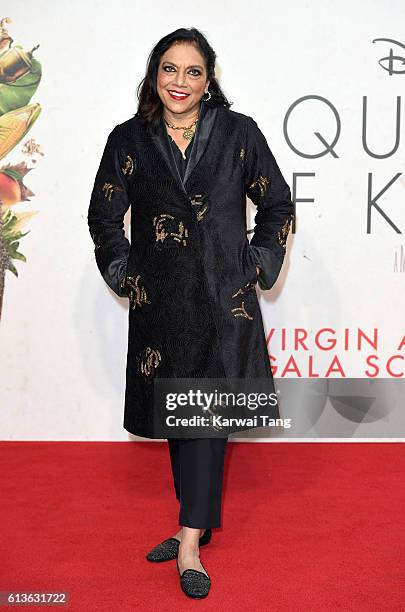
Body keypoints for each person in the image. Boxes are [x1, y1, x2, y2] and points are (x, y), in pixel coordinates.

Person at [87, 27, 294, 599]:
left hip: (224, 305)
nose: (180, 82)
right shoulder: (128, 140)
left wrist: (254, 261)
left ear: (209, 80)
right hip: (161, 307)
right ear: (155, 75)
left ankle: (189, 543)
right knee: (181, 424)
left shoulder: (237, 134)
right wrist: (125, 273)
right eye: (170, 69)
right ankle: (194, 519)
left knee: (205, 423)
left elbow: (276, 201)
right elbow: (104, 217)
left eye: (193, 71)